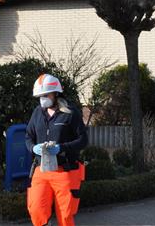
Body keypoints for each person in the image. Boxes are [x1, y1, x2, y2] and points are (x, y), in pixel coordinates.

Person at [25, 73, 88, 226]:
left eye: (45, 95)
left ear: (56, 93)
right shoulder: (37, 113)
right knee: (36, 209)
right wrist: (34, 148)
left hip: (65, 171)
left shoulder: (70, 113)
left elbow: (83, 140)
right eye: (40, 96)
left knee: (65, 215)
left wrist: (62, 148)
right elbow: (28, 136)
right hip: (41, 170)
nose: (42, 98)